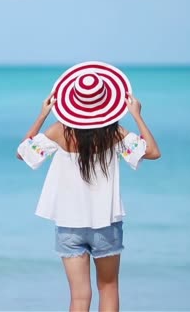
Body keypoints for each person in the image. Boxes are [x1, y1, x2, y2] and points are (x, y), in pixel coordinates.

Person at [16, 62, 161, 312]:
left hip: (69, 227)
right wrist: (137, 114)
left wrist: (42, 115)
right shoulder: (114, 134)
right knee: (109, 288)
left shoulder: (59, 132)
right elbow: (153, 152)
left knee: (79, 298)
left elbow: (23, 153)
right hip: (106, 224)